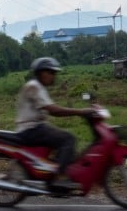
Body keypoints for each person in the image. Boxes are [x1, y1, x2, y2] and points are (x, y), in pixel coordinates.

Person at [15, 57, 95, 190]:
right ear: (42, 73)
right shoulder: (34, 87)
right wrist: (81, 112)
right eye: (51, 72)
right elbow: (53, 110)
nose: (53, 76)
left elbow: (51, 109)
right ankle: (58, 177)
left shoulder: (38, 87)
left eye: (54, 73)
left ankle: (56, 169)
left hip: (37, 127)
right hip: (31, 129)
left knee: (63, 140)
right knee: (68, 139)